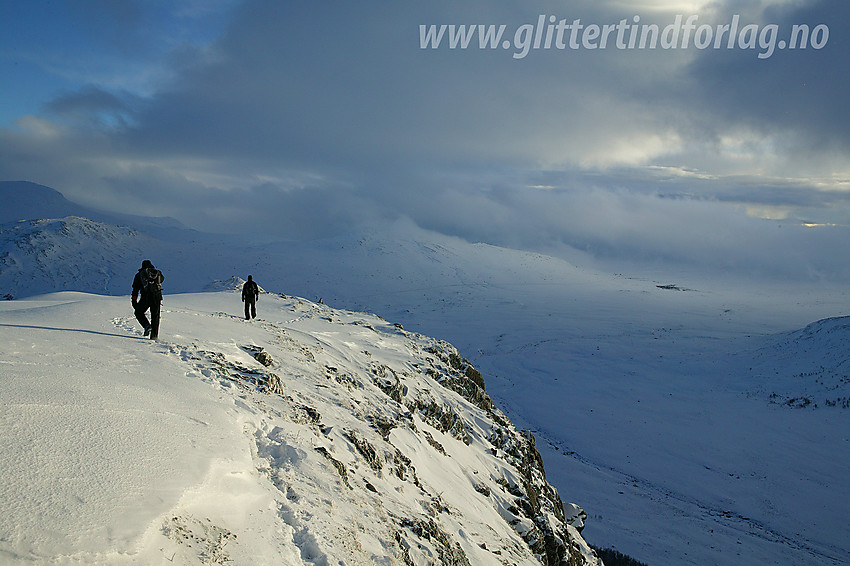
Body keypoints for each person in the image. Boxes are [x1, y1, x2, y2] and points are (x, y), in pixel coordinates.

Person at [132, 259, 165, 340]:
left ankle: (147, 326)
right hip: (157, 297)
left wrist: (134, 301)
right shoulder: (158, 273)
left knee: (138, 312)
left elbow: (135, 289)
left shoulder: (139, 275)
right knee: (155, 316)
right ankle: (154, 337)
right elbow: (162, 279)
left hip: (145, 297)